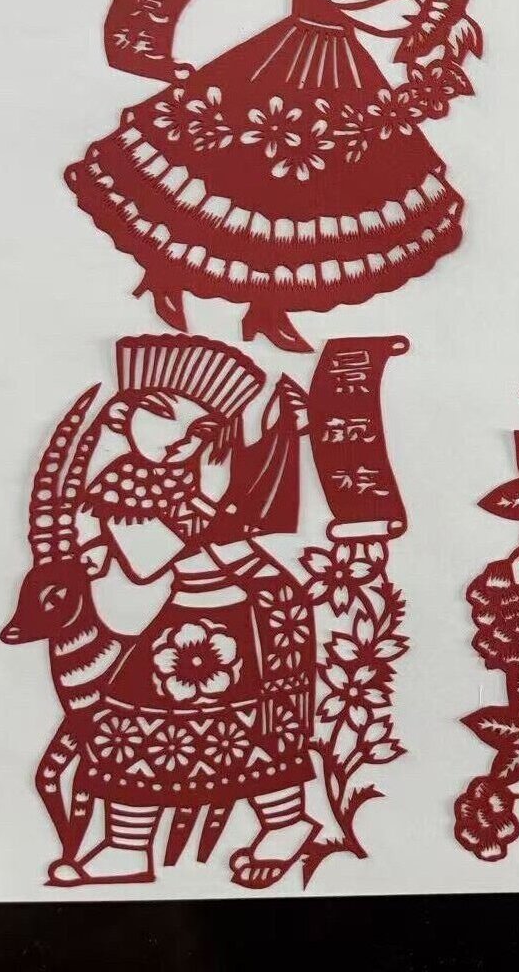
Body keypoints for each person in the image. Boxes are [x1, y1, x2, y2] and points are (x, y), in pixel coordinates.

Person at [69, 0, 480, 351]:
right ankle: (174, 279)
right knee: (247, 186)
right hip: (291, 75)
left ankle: (264, 306)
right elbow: (383, 6)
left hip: (335, 71)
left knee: (298, 204)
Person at [51, 334, 318, 890]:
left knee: (258, 726)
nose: (178, 440)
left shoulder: (186, 482)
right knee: (135, 725)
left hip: (248, 610)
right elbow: (146, 562)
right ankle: (127, 846)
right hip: (197, 616)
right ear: (122, 414)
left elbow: (159, 556)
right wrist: (204, 508)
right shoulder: (128, 485)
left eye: (197, 431)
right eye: (162, 414)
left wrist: (215, 499)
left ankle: (285, 824)